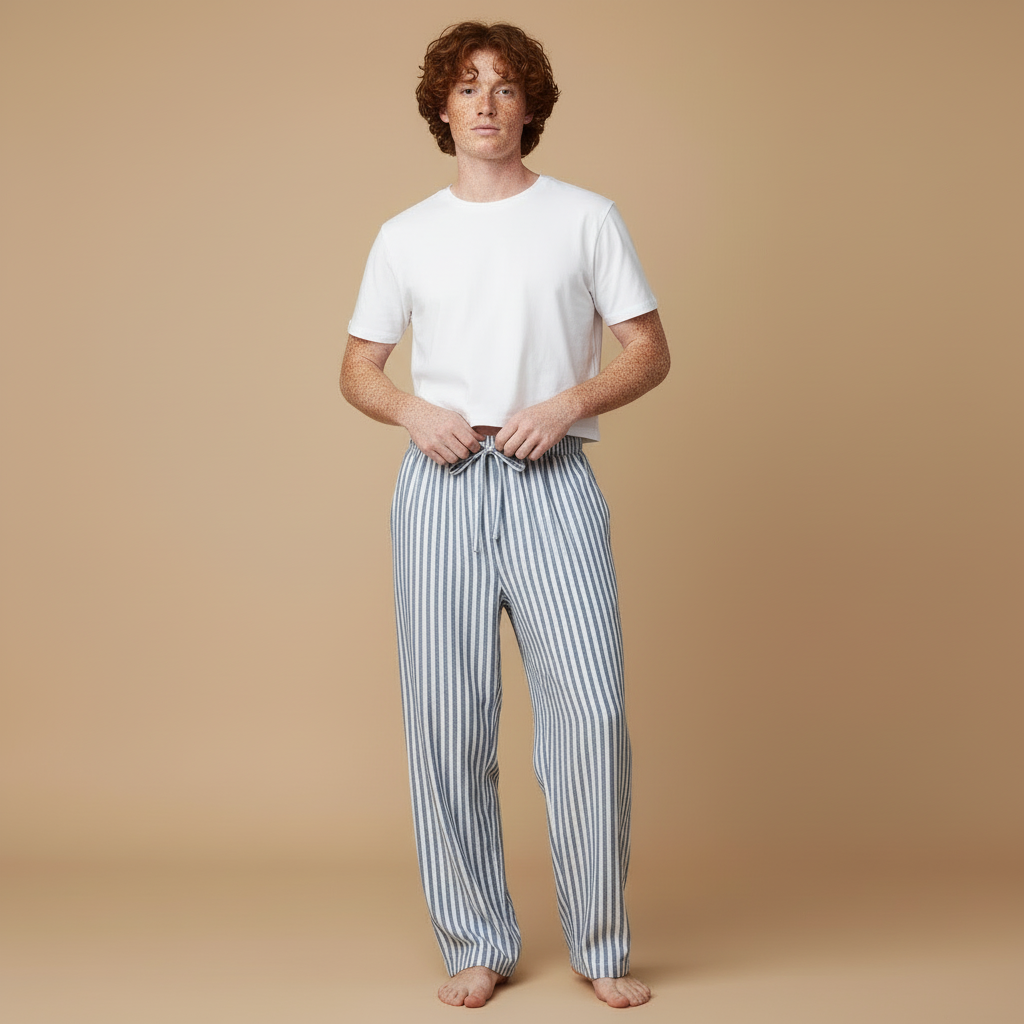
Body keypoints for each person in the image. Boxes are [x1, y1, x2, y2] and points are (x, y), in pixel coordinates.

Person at [340, 21, 669, 1009]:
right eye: (467, 86)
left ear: (531, 107)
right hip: (439, 481)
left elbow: (648, 350)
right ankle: (477, 936)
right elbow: (357, 368)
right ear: (441, 108)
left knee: (592, 711)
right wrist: (413, 410)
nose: (486, 102)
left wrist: (567, 403)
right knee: (448, 720)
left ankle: (600, 943)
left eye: (506, 86)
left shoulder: (585, 217)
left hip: (551, 475)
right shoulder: (405, 234)